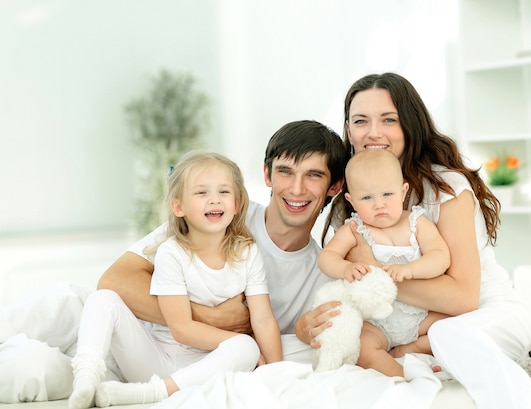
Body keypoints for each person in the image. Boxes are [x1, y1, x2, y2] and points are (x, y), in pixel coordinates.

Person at [300, 73, 531, 409]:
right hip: (405, 323)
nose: (373, 132)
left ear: (410, 124)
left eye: (389, 119)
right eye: (360, 121)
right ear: (348, 129)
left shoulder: (446, 188)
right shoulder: (353, 203)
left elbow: (462, 298)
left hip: (482, 315)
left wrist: (376, 275)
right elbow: (350, 279)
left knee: (448, 335)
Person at [97, 120, 347, 365]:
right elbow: (114, 281)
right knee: (69, 302)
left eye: (313, 175)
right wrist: (210, 318)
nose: (296, 188)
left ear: (334, 186)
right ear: (267, 174)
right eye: (285, 171)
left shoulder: (323, 273)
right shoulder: (219, 214)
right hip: (151, 345)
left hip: (221, 362)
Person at [68, 150, 282, 409]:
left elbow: (263, 319)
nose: (214, 200)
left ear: (236, 204)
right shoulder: (172, 252)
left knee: (246, 347)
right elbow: (181, 328)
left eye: (224, 192)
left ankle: (150, 394)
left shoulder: (247, 252)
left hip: (205, 370)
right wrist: (231, 338)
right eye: (202, 193)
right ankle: (86, 378)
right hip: (155, 360)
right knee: (103, 298)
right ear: (178, 206)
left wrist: (277, 373)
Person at [317, 149, 450, 377]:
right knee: (362, 347)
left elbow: (440, 257)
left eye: (387, 194)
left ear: (403, 191)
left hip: (420, 315)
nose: (379, 204)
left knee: (455, 325)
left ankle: (413, 348)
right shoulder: (354, 229)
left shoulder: (417, 223)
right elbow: (326, 258)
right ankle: (402, 376)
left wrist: (410, 269)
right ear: (351, 200)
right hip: (378, 322)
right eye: (367, 198)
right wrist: (346, 268)